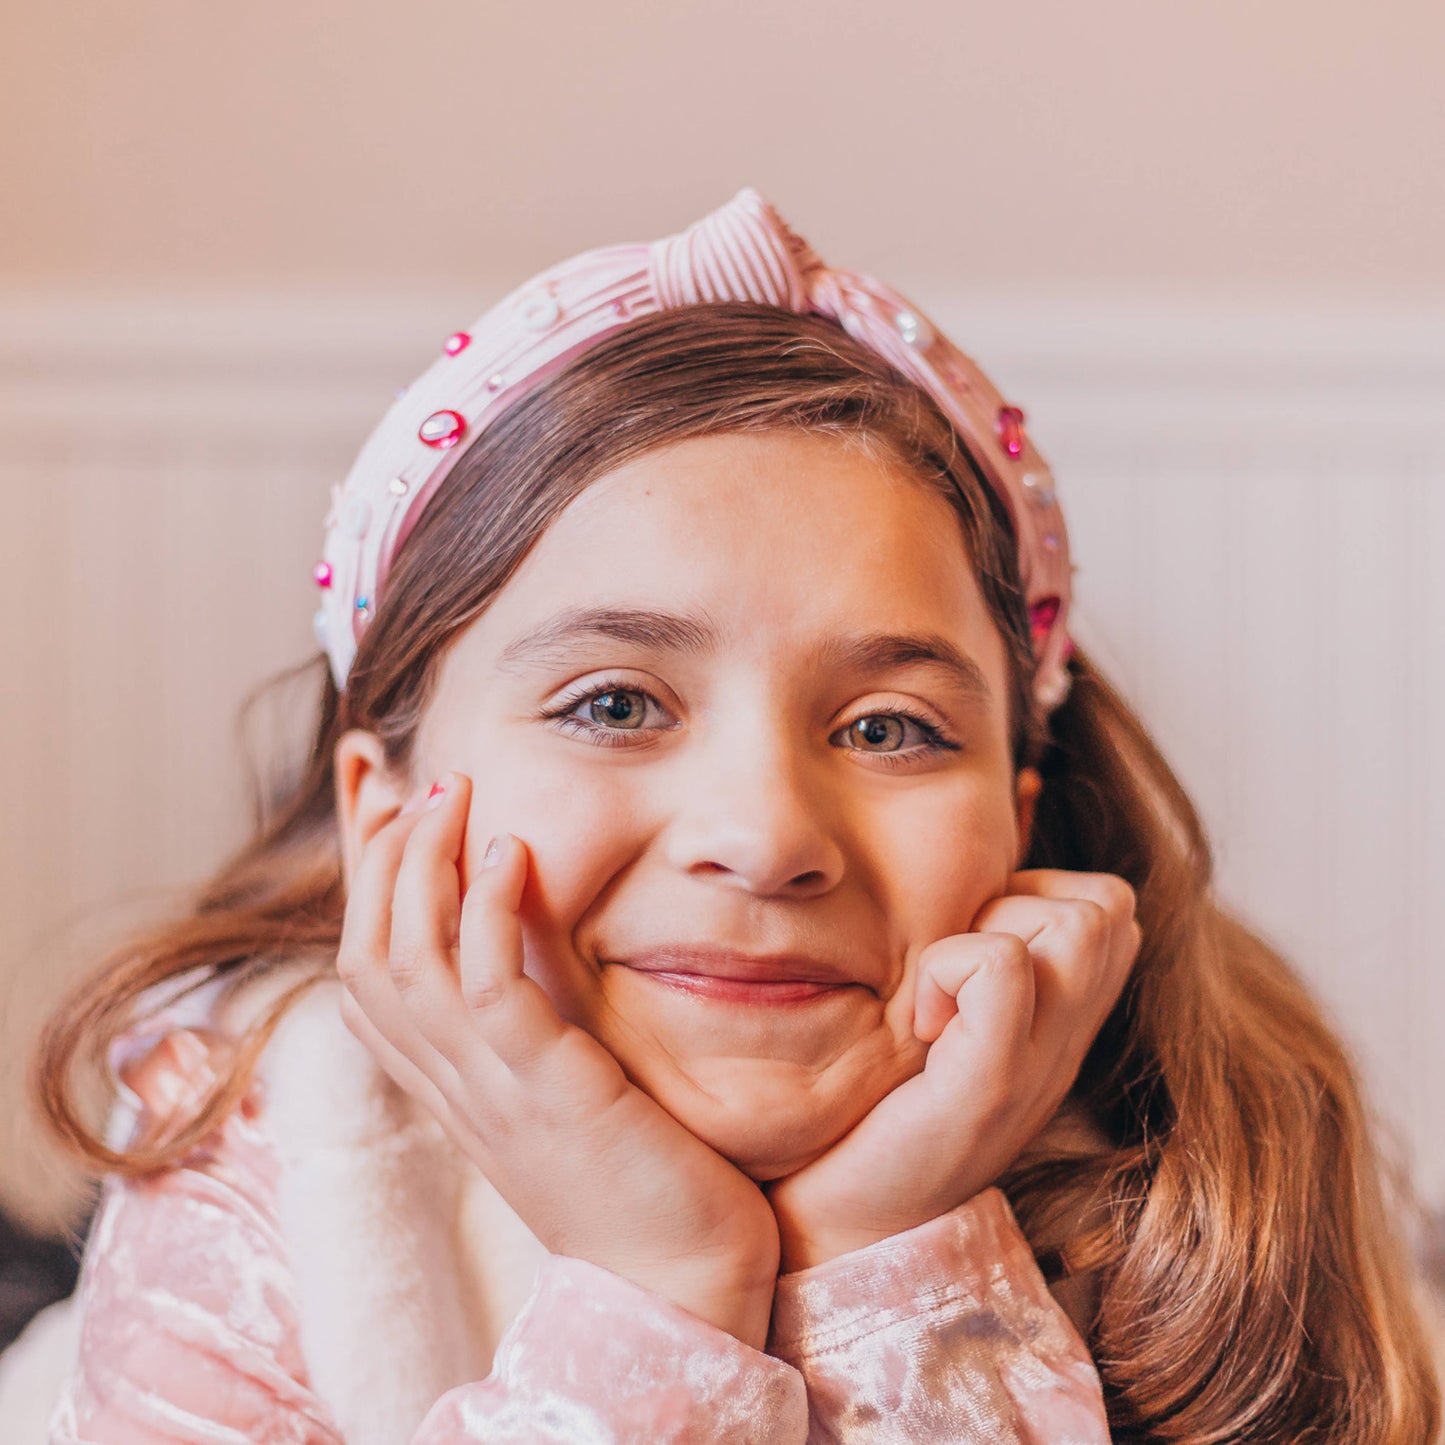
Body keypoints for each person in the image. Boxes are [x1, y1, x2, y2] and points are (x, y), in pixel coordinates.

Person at [14, 187, 1441, 1442]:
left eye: (887, 728)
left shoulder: (1226, 1194)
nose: (763, 837)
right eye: (614, 703)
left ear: (1017, 825)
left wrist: (888, 1266)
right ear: (384, 811)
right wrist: (661, 1293)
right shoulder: (271, 1145)